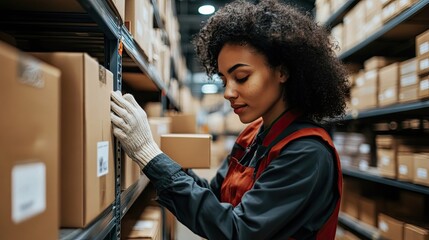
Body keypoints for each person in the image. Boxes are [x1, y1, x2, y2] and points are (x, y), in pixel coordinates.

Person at [110, 0, 350, 239]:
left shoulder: (307, 153)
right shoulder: (252, 134)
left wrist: (148, 153)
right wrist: (158, 160)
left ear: (283, 72)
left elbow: (237, 230)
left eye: (242, 77)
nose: (228, 93)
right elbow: (214, 197)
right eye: (225, 80)